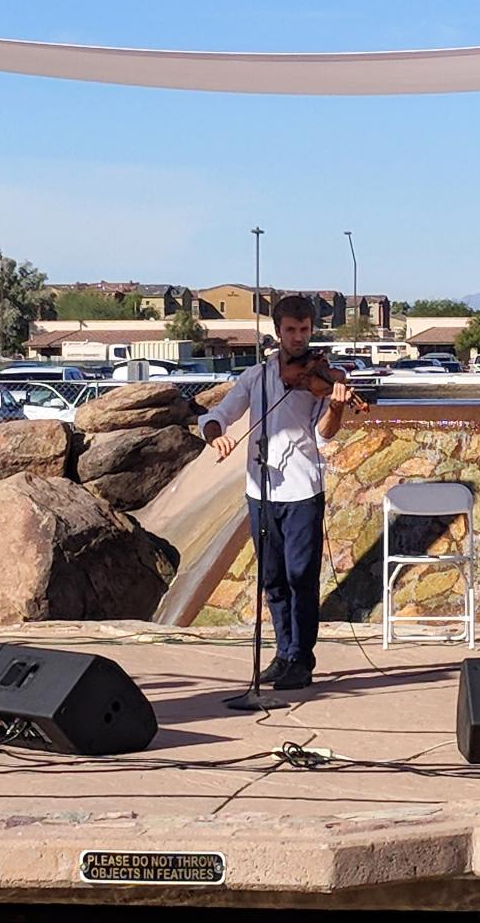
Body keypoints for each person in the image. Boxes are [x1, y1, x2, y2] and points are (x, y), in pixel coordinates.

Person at [198, 295, 357, 690]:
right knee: (272, 578)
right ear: (277, 331)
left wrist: (336, 408)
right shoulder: (256, 377)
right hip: (261, 489)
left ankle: (302, 658)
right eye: (291, 330)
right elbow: (220, 414)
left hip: (303, 489)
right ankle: (283, 652)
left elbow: (324, 437)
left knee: (301, 577)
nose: (299, 338)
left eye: (305, 330)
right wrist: (216, 436)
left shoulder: (322, 381)